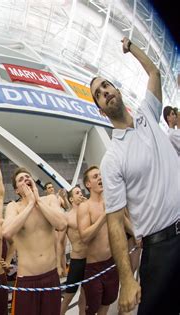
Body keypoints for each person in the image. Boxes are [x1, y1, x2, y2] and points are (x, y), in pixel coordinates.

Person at [90, 37, 180, 314]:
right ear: (100, 109)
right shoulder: (113, 158)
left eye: (106, 85)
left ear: (116, 89)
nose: (104, 91)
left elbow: (155, 72)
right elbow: (115, 224)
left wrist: (130, 48)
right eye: (98, 93)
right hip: (160, 250)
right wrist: (127, 279)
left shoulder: (147, 115)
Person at [3, 167, 67, 315]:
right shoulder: (14, 207)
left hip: (51, 276)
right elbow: (7, 232)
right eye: (20, 179)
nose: (25, 179)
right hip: (27, 279)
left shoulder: (49, 200)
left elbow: (61, 224)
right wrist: (30, 204)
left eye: (27, 177)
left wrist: (37, 200)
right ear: (17, 190)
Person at [77, 166, 121, 315]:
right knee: (92, 309)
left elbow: (122, 223)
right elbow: (85, 237)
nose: (100, 178)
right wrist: (103, 216)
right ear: (88, 184)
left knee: (107, 302)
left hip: (111, 263)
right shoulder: (85, 207)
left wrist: (136, 234)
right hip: (94, 267)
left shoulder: (109, 201)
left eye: (101, 175)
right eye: (96, 176)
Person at [60, 186, 87, 315]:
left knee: (85, 294)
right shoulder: (67, 217)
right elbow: (60, 242)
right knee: (69, 295)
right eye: (77, 193)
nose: (80, 194)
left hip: (91, 259)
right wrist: (59, 265)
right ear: (71, 199)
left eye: (81, 192)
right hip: (77, 260)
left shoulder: (88, 212)